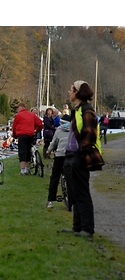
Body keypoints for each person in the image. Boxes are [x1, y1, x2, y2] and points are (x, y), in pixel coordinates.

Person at [62, 80, 104, 238]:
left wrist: (80, 152)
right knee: (74, 193)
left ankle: (87, 228)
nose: (69, 92)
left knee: (82, 193)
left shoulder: (87, 111)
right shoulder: (78, 110)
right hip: (72, 155)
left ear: (78, 92)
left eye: (71, 89)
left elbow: (90, 135)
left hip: (79, 156)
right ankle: (77, 226)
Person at [45, 114, 71, 208]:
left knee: (55, 177)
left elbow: (53, 143)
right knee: (72, 176)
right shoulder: (75, 129)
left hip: (60, 155)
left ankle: (50, 200)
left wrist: (48, 151)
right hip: (71, 155)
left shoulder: (59, 130)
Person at [12, 102, 43, 175]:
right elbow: (40, 123)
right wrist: (37, 130)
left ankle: (23, 170)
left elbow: (14, 127)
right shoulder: (32, 115)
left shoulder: (18, 115)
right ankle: (27, 168)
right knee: (28, 150)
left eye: (17, 108)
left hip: (22, 135)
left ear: (21, 107)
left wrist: (15, 135)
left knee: (22, 151)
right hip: (30, 134)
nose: (17, 109)